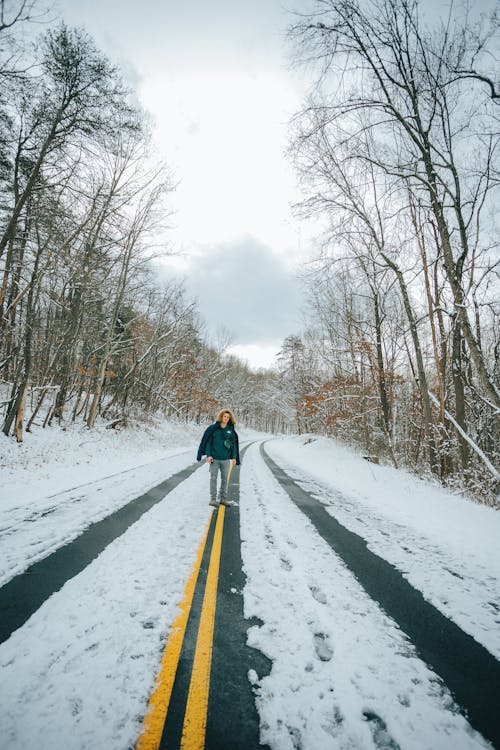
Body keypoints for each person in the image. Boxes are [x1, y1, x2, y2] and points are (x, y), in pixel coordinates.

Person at [197, 408, 240, 507]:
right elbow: (208, 443)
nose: (226, 418)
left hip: (225, 460)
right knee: (213, 478)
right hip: (214, 459)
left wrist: (234, 457)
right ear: (221, 417)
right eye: (224, 416)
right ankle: (212, 499)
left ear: (230, 419)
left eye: (228, 417)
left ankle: (223, 499)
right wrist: (208, 455)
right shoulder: (214, 429)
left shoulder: (230, 430)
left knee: (225, 479)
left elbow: (234, 445)